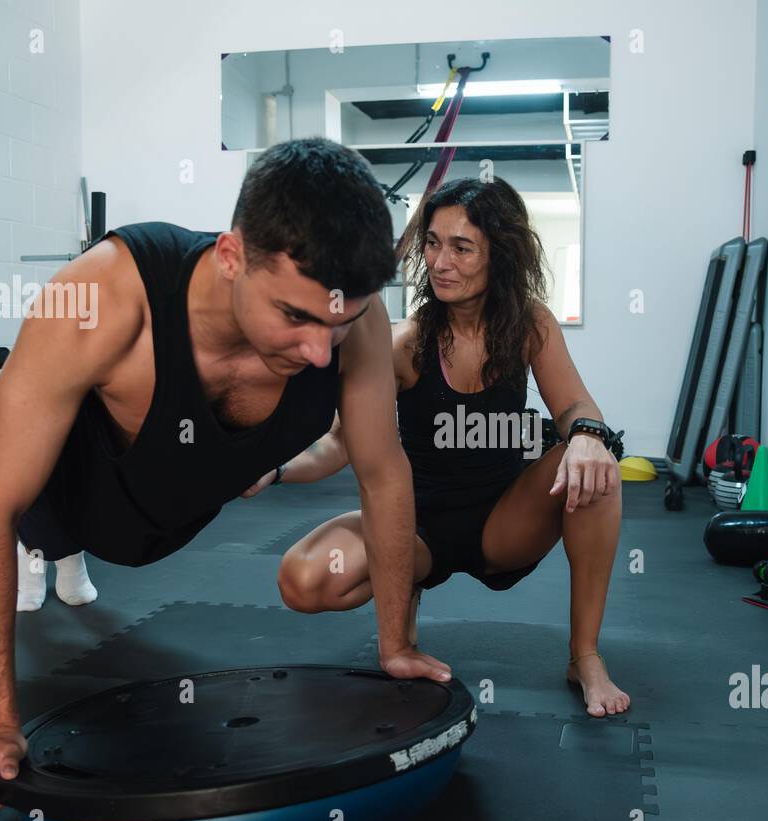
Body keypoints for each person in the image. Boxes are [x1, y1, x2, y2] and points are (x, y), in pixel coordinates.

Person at [0, 138, 448, 814]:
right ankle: (52, 553)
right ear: (230, 255)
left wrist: (397, 645)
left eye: (342, 321)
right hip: (76, 499)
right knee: (30, 514)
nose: (318, 350)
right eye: (294, 316)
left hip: (181, 509)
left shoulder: (344, 325)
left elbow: (384, 474)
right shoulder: (103, 298)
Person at [269, 177, 630, 718]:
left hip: (504, 522)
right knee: (303, 579)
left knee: (598, 471)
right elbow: (338, 446)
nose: (440, 262)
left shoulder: (530, 323)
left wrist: (586, 438)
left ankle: (585, 656)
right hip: (414, 530)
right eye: (433, 244)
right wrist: (272, 470)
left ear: (500, 256)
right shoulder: (406, 343)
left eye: (461, 248)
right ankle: (406, 592)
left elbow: (576, 406)